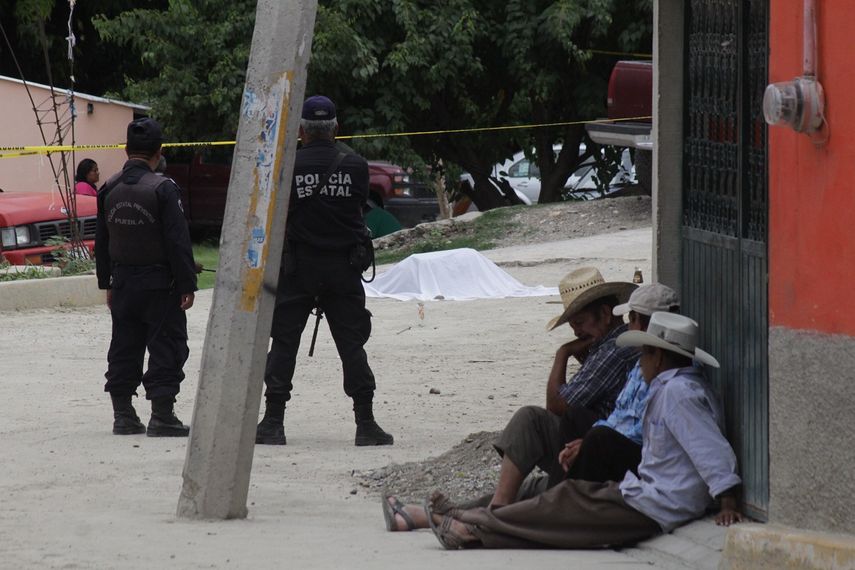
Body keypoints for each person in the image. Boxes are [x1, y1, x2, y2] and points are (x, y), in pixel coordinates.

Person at [424, 312, 743, 550]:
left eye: (645, 354)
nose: (640, 362)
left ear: (658, 357)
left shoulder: (679, 394)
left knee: (563, 508)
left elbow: (709, 447)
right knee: (564, 501)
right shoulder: (671, 388)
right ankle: (474, 521)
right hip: (643, 494)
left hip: (655, 505)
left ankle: (473, 526)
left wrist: (727, 499)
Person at [383, 281, 678, 532]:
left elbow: (558, 404)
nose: (576, 333)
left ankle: (465, 519)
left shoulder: (620, 350)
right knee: (527, 489)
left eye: (580, 323)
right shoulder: (625, 354)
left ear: (604, 314)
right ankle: (435, 516)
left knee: (534, 441)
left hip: (612, 462)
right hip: (597, 445)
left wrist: (563, 353)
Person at [255, 95, 393, 447]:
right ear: (336, 129)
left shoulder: (287, 165)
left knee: (284, 343)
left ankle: (273, 422)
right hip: (343, 269)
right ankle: (365, 423)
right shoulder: (357, 166)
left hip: (297, 267)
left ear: (300, 130)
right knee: (352, 345)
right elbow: (357, 210)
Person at [95, 118, 198, 437]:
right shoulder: (163, 188)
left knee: (124, 345)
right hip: (159, 284)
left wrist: (107, 283)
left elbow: (102, 242)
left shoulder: (108, 188)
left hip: (123, 283)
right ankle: (162, 415)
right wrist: (187, 285)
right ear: (159, 151)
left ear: (126, 150)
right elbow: (178, 241)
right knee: (167, 345)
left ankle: (123, 414)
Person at [558, 283, 681, 483]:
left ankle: (569, 497)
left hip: (648, 459)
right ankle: (566, 493)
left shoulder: (672, 378)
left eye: (631, 319)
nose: (627, 326)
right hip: (626, 440)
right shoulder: (641, 364)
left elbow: (642, 429)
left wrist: (562, 354)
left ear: (639, 324)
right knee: (584, 427)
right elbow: (622, 414)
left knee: (597, 437)